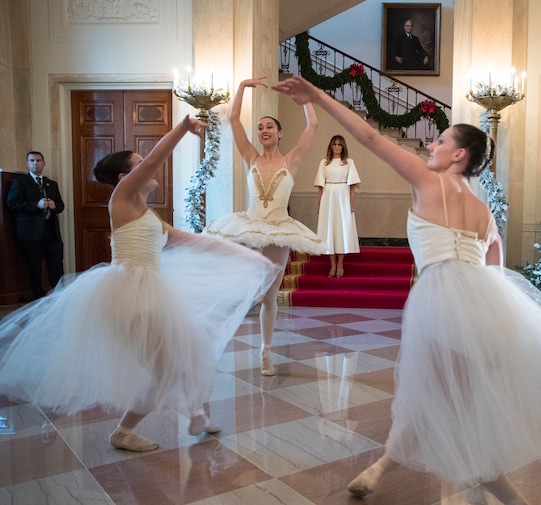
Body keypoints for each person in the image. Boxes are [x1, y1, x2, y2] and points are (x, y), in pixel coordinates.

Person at [272, 76, 541, 504]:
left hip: (440, 304)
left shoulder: (428, 180)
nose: (429, 147)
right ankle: (388, 470)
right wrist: (503, 324)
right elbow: (496, 265)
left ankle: (494, 493)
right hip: (486, 310)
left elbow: (368, 135)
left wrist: (319, 96)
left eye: (439, 141)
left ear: (458, 155)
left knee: (438, 401)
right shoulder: (482, 209)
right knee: (449, 401)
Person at [0, 115, 279, 452]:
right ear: (126, 177)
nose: (150, 171)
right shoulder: (122, 197)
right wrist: (182, 127)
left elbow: (196, 241)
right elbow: (154, 159)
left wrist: (249, 257)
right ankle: (124, 432)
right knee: (164, 369)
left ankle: (197, 415)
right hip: (127, 294)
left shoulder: (149, 216)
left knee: (193, 350)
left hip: (149, 291)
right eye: (138, 166)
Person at [205, 77, 325, 376]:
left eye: (269, 126)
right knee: (248, 288)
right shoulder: (251, 157)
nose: (263, 130)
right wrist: (243, 86)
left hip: (279, 229)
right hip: (249, 226)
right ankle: (213, 337)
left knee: (269, 296)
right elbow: (233, 119)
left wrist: (304, 95)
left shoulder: (292, 160)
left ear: (280, 133)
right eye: (259, 127)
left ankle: (265, 352)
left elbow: (313, 126)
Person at [7, 151, 65, 300]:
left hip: (51, 232)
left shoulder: (51, 184)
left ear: (43, 163)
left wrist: (54, 206)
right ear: (27, 164)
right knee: (34, 268)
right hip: (30, 234)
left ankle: (59, 296)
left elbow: (61, 205)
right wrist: (35, 205)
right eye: (32, 161)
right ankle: (39, 298)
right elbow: (12, 203)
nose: (35, 163)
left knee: (56, 265)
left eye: (38, 161)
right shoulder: (20, 182)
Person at [314, 135, 361, 277]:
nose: (336, 147)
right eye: (334, 144)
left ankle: (340, 263)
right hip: (328, 197)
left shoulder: (348, 162)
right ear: (330, 146)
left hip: (342, 197)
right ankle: (332, 263)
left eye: (339, 144)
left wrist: (351, 205)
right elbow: (320, 187)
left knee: (341, 230)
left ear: (343, 147)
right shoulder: (324, 163)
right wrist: (319, 205)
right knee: (330, 230)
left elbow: (352, 186)